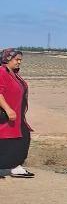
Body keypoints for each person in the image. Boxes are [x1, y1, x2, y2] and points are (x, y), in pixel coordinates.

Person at [0, 48, 35, 178]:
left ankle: (16, 167)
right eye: (16, 59)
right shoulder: (1, 72)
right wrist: (8, 109)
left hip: (17, 115)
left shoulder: (13, 73)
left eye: (20, 60)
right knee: (8, 141)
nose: (19, 62)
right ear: (7, 59)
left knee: (22, 139)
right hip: (7, 114)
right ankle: (13, 167)